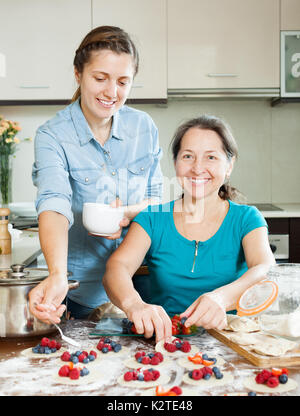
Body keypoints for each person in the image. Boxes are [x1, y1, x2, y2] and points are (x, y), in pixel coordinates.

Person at [29, 26, 163, 323]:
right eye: (100, 78)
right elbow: (54, 204)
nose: (111, 93)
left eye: (123, 82)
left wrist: (128, 213)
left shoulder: (144, 128)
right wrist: (56, 274)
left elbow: (158, 202)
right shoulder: (52, 135)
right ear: (78, 74)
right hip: (82, 298)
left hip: (141, 288)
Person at [102, 115, 276, 342]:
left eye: (211, 157)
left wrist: (221, 299)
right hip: (165, 342)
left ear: (229, 166)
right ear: (175, 163)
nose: (197, 168)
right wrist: (134, 304)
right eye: (188, 156)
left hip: (232, 342)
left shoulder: (246, 218)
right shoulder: (153, 218)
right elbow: (117, 268)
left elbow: (266, 269)